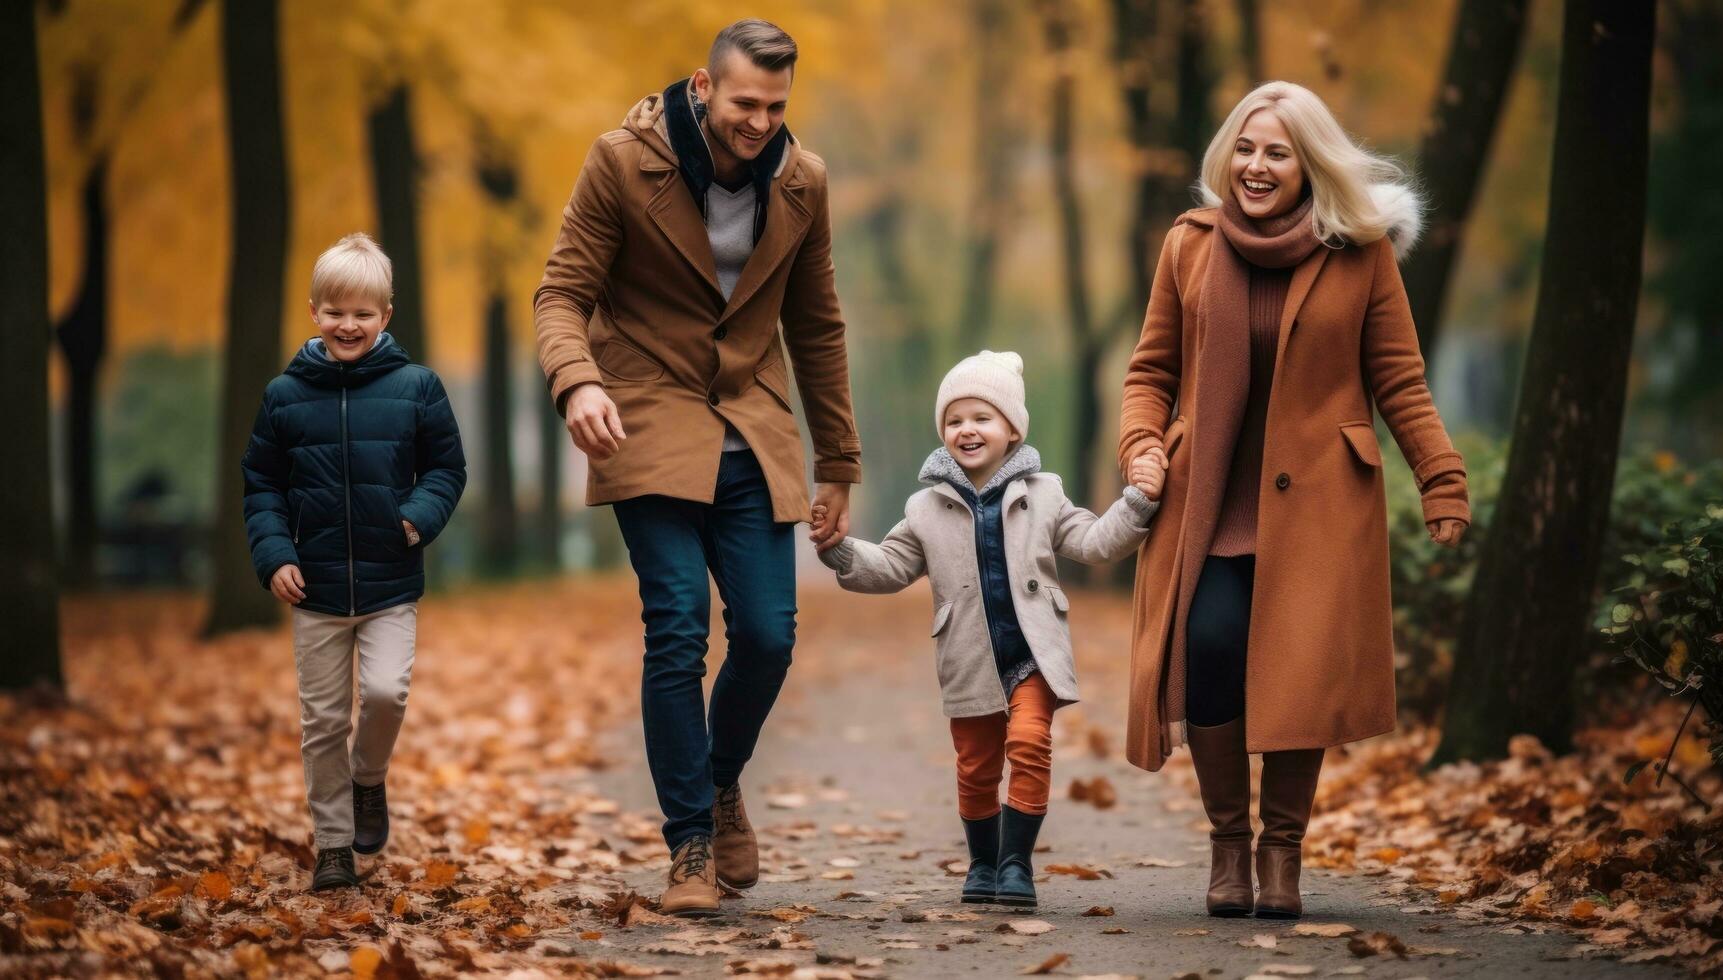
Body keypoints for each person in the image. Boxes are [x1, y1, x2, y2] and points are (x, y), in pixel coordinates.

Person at [1119, 80, 1471, 920]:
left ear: (1308, 164)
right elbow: (1150, 372)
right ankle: (1228, 844)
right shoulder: (1190, 246)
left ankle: (1282, 853)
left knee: (1297, 673)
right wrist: (1140, 446)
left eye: (1275, 151)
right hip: (1209, 503)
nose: (1254, 165)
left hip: (1317, 507)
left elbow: (1399, 380)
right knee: (1206, 651)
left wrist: (1441, 478)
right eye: (1243, 148)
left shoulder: (1361, 251)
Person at [532, 19, 860, 917]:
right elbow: (562, 292)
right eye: (745, 102)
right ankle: (688, 846)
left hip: (751, 423)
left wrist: (838, 461)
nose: (759, 122)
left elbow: (817, 323)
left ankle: (718, 783)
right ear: (703, 87)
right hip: (644, 414)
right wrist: (577, 384)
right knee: (676, 623)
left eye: (776, 106)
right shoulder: (620, 162)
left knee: (767, 633)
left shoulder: (802, 183)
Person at [817, 351, 1164, 910]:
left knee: (1029, 744)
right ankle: (983, 861)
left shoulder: (1045, 494)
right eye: (954, 420)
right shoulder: (924, 508)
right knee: (977, 767)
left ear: (1011, 429)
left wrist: (1139, 502)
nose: (967, 430)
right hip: (969, 654)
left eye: (982, 417)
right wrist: (838, 550)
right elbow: (889, 567)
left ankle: (1016, 864)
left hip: (1032, 651)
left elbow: (1097, 543)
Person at [242, 233, 466, 891]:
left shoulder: (417, 387)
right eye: (336, 311)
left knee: (385, 693)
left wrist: (420, 515)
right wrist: (274, 553)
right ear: (315, 312)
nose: (349, 324)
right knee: (322, 722)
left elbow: (448, 467)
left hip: (389, 582)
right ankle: (334, 845)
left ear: (385, 316)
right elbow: (261, 484)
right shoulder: (284, 396)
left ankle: (369, 777)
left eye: (363, 313)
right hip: (312, 588)